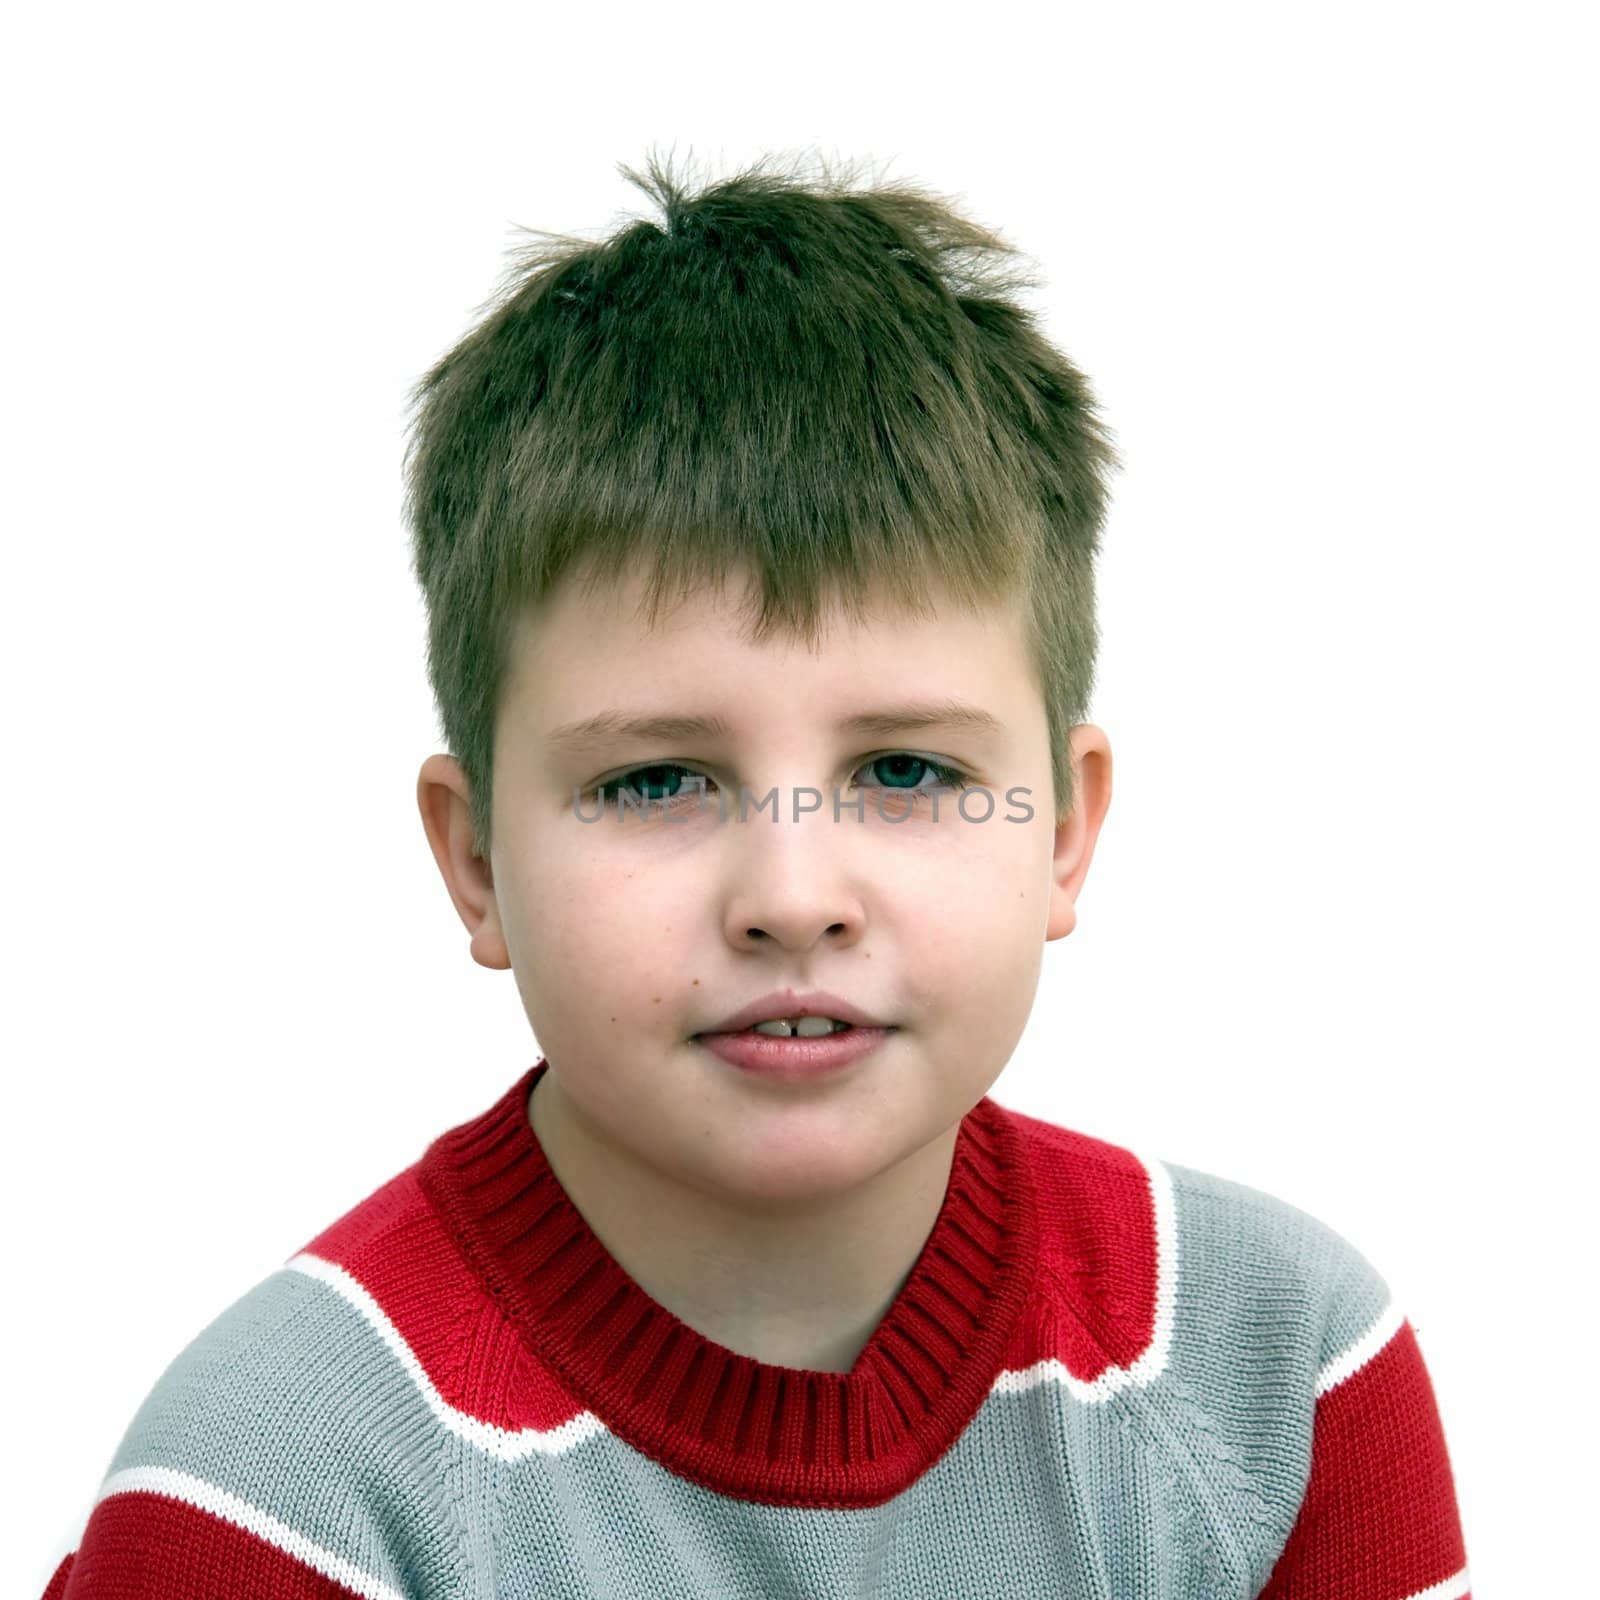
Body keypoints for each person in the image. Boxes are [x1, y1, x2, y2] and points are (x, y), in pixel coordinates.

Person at [38, 150, 1470, 1599]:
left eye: (907, 772)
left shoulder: (1275, 1372)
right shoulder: (274, 1495)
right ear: (476, 863)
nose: (792, 893)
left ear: (1062, 829)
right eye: (655, 780)